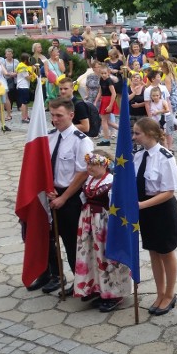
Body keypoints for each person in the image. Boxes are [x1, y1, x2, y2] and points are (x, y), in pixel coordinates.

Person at [37, 98, 94, 295]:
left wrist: (63, 197)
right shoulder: (51, 137)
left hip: (72, 197)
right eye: (52, 116)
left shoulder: (81, 140)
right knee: (54, 237)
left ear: (71, 115)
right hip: (53, 193)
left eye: (59, 115)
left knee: (73, 242)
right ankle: (59, 275)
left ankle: (82, 281)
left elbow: (83, 172)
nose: (55, 120)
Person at [132, 118, 177, 316]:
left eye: (138, 133)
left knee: (166, 252)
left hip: (161, 209)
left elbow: (169, 191)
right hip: (144, 209)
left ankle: (170, 294)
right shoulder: (137, 155)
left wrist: (142, 205)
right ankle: (159, 292)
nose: (134, 137)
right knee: (153, 251)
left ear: (151, 134)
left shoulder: (165, 156)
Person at [73, 150, 132, 312]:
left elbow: (118, 206)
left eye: (93, 164)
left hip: (104, 223)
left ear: (104, 164)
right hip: (88, 221)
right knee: (91, 254)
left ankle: (114, 292)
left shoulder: (112, 181)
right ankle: (96, 287)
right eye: (88, 163)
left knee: (107, 256)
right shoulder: (89, 180)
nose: (89, 167)